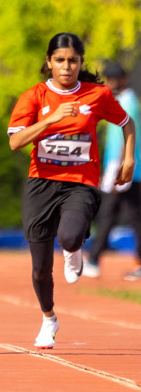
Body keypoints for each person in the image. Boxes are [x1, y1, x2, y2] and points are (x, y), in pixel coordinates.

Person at [8, 33, 134, 348]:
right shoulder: (34, 96)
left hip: (81, 182)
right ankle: (49, 318)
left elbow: (127, 123)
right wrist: (51, 120)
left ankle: (74, 248)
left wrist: (129, 159)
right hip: (42, 183)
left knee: (70, 234)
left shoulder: (97, 95)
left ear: (80, 63)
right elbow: (16, 141)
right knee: (39, 270)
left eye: (73, 61)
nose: (67, 67)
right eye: (60, 60)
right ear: (49, 63)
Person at [87, 60, 141, 280]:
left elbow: (126, 137)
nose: (109, 83)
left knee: (109, 213)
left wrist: (118, 168)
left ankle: (93, 259)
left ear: (123, 79)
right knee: (133, 216)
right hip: (126, 169)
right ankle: (94, 259)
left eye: (112, 79)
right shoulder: (122, 100)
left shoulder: (126, 102)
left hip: (122, 169)